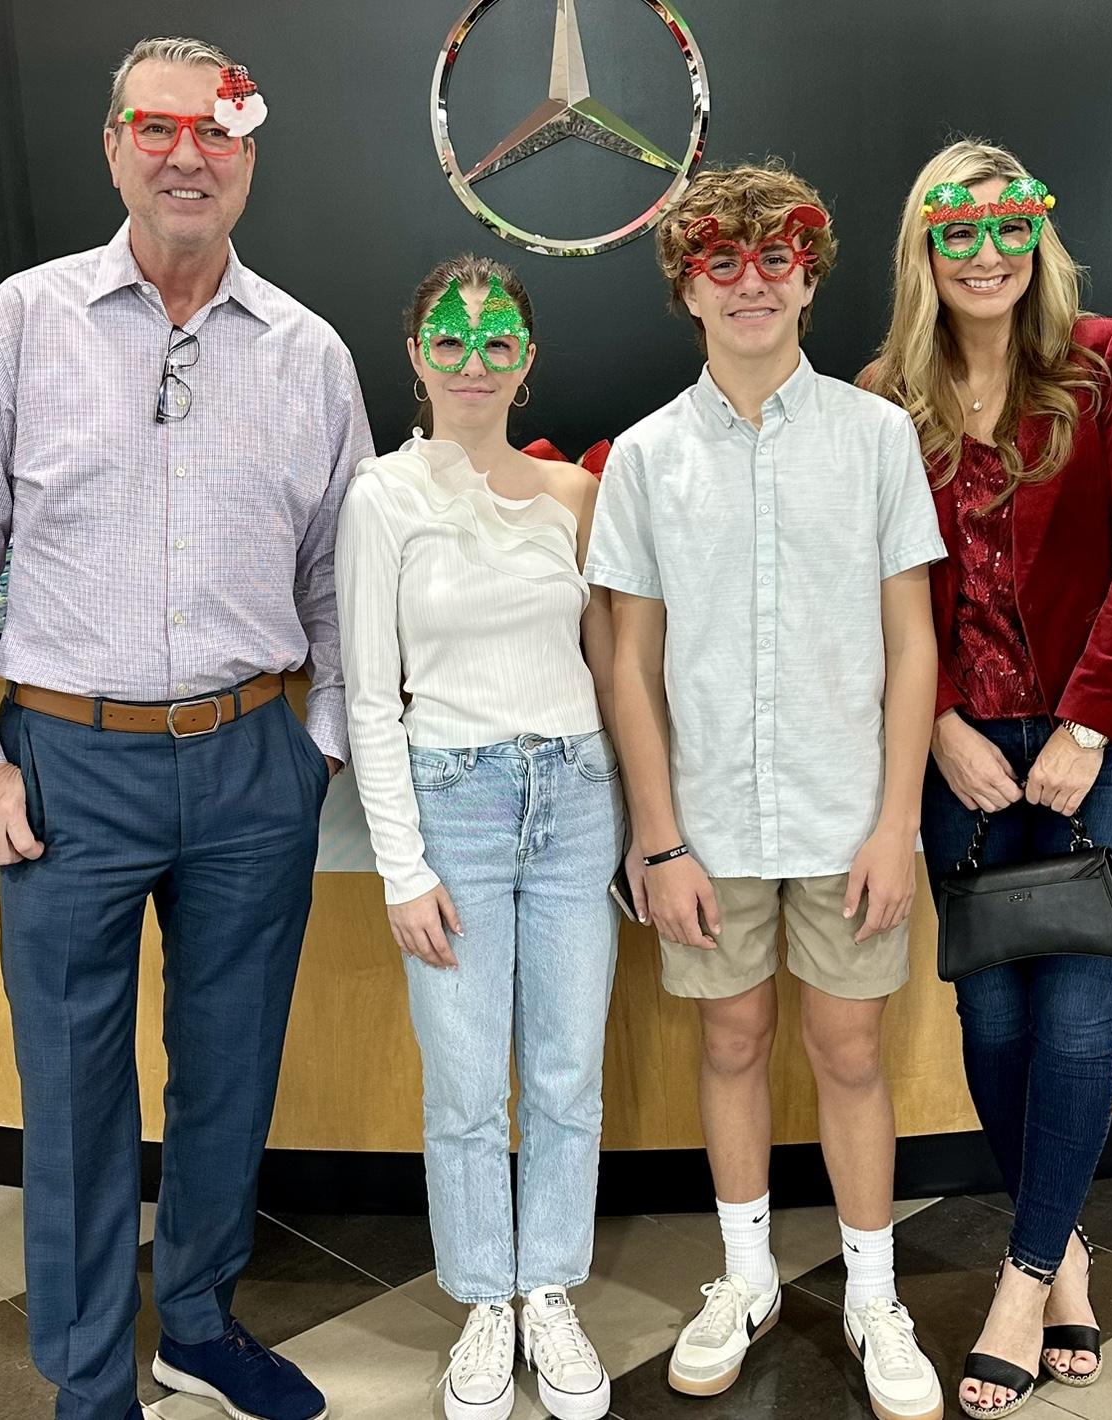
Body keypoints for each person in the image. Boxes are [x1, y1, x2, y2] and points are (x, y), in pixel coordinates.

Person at [0, 36, 373, 1420]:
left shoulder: (307, 353)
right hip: (66, 771)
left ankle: (200, 1326)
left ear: (247, 158)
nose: (185, 155)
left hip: (252, 766)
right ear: (114, 146)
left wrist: (319, 747)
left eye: (216, 130)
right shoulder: (26, 322)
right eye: (156, 127)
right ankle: (92, 1378)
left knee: (230, 1072)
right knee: (74, 1092)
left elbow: (343, 580)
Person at [585, 161, 946, 1420]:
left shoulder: (874, 438)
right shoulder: (646, 457)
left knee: (849, 1048)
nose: (752, 283)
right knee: (730, 1038)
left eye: (775, 258)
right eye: (721, 262)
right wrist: (658, 839)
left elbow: (912, 643)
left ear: (810, 275)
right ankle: (743, 1277)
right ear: (686, 285)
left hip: (850, 816)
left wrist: (897, 821)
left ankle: (872, 1294)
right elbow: (628, 662)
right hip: (709, 823)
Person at [863, 138, 1112, 1418]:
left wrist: (1086, 727)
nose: (987, 253)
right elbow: (876, 586)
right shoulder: (885, 398)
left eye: (1009, 228)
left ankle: (1026, 1275)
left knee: (1078, 1016)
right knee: (992, 1019)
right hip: (961, 758)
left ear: (1036, 239)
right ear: (926, 249)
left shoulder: (1106, 360)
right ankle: (1062, 1250)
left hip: (1108, 747)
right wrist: (941, 721)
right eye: (959, 231)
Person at [337, 254, 637, 1420]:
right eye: (451, 341)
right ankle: (481, 1298)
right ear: (415, 358)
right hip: (451, 803)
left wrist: (638, 828)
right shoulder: (381, 497)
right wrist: (401, 868)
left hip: (575, 799)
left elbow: (610, 669)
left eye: (497, 339)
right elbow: (371, 698)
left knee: (565, 1073)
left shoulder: (573, 495)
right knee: (465, 1082)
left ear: (527, 359)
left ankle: (546, 1288)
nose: (475, 361)